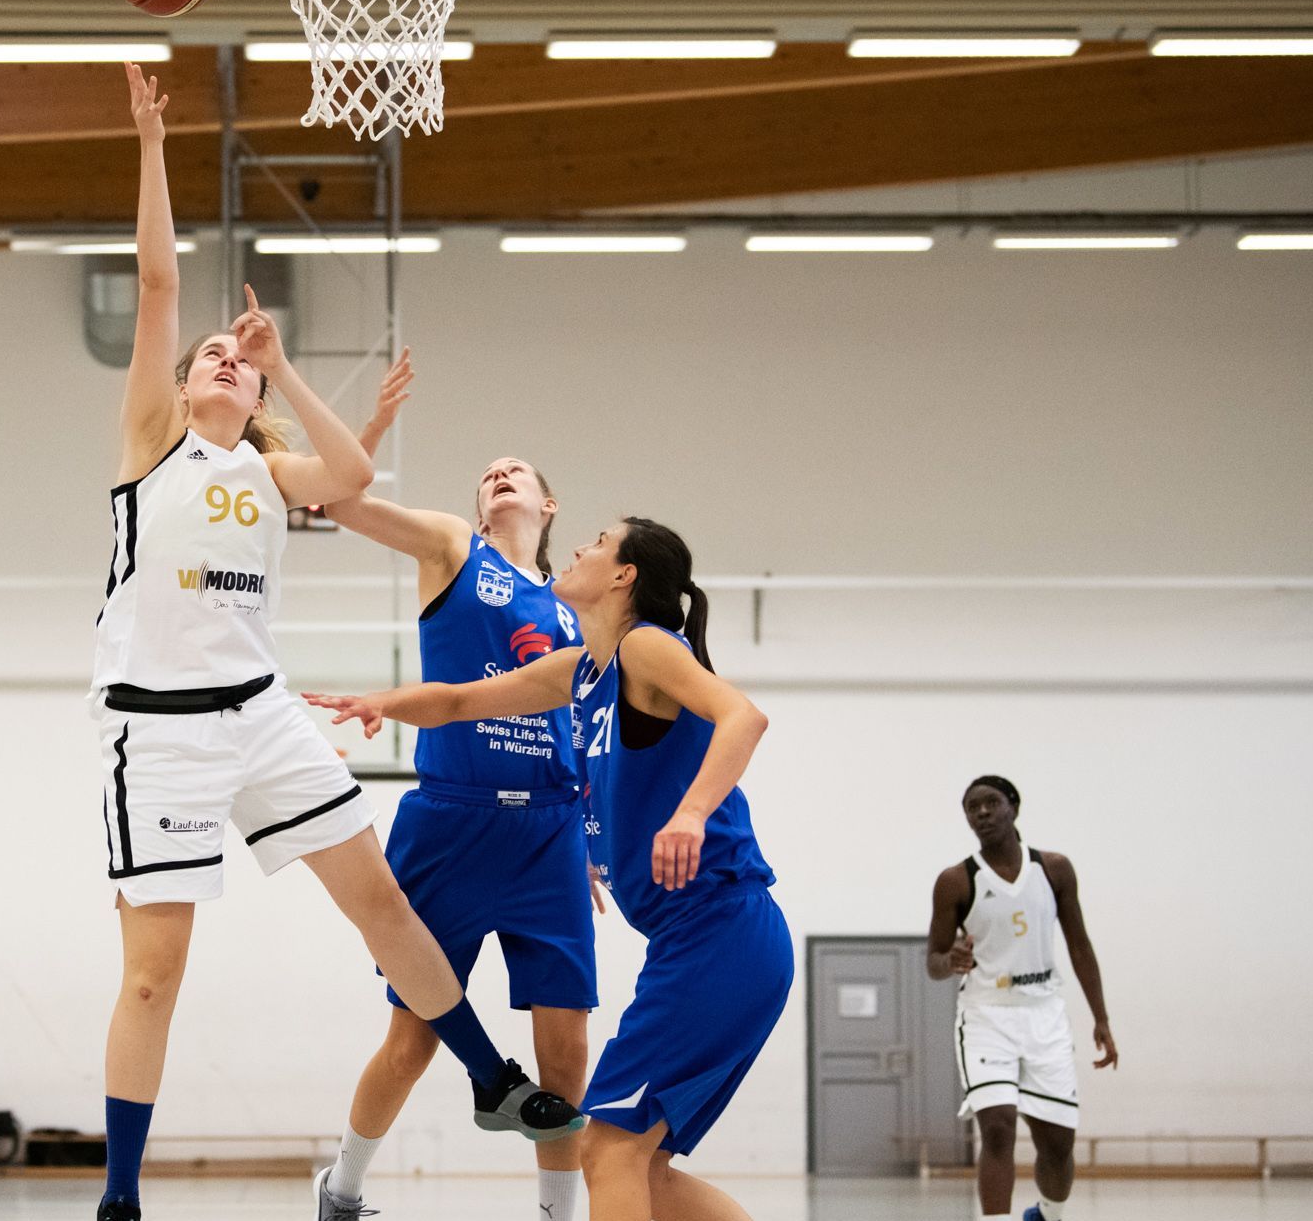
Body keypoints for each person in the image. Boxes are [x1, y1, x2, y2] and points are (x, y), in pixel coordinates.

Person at [93, 63, 581, 1221]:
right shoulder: (155, 442)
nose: (219, 354)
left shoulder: (268, 463)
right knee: (154, 975)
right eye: (207, 351)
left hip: (260, 712)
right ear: (178, 384)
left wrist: (283, 364)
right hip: (154, 733)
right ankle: (120, 1195)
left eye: (235, 353)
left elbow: (353, 476)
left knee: (385, 908)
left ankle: (489, 1077)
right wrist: (152, 142)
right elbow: (160, 277)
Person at [309, 517, 790, 1221]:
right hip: (706, 944)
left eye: (598, 541)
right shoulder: (581, 673)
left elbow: (742, 716)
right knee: (643, 1172)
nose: (580, 549)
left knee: (608, 1152)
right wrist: (382, 701)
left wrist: (690, 814)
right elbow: (459, 701)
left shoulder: (646, 648)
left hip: (721, 932)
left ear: (625, 576)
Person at [313, 358, 594, 1221]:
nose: (499, 475)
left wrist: (589, 843)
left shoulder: (580, 611)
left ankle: (556, 1209)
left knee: (567, 1043)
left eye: (518, 472)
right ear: (481, 508)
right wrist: (372, 427)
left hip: (550, 831)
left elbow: (584, 734)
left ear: (548, 507)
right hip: (451, 820)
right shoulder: (452, 546)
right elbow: (339, 503)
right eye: (488, 475)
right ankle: (344, 1190)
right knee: (412, 1038)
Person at [925, 775, 1117, 1221]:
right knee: (997, 1128)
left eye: (991, 803)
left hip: (1044, 1014)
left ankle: (1049, 1214)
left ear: (1013, 806)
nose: (983, 813)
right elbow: (932, 960)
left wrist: (1101, 1018)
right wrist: (948, 960)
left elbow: (1080, 945)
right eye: (972, 807)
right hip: (986, 1015)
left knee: (1057, 1143)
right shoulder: (955, 881)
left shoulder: (1054, 869)